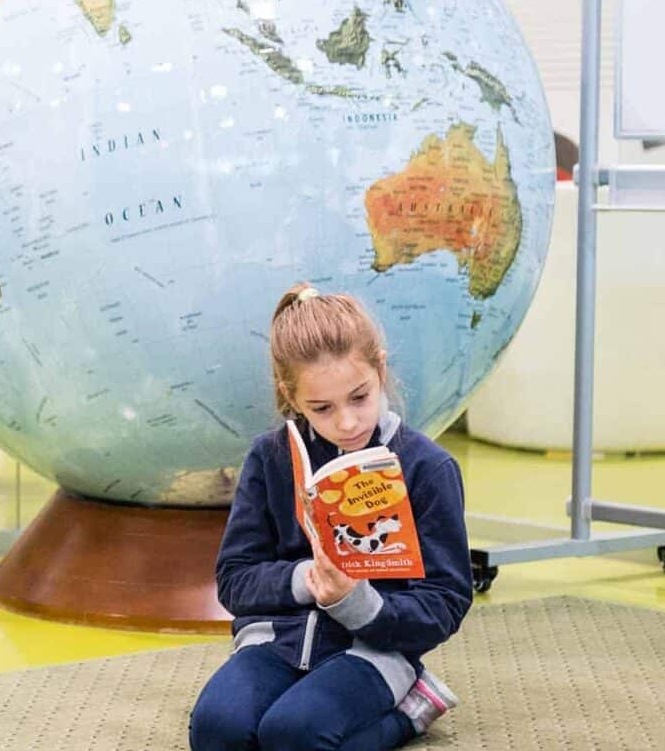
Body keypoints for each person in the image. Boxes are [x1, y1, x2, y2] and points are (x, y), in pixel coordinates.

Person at [189, 283, 473, 751]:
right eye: (321, 408)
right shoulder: (270, 458)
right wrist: (306, 579)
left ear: (380, 368)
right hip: (277, 641)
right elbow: (235, 581)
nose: (347, 423)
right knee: (218, 731)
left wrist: (357, 602)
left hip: (376, 649)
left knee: (294, 734)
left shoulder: (427, 467)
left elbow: (445, 601)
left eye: (359, 397)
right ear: (291, 396)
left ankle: (412, 711)